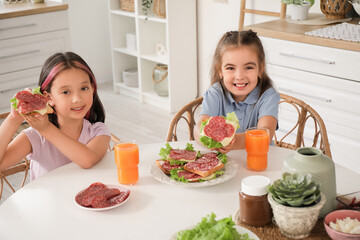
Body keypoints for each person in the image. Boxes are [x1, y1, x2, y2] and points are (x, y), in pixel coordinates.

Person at [0, 52, 111, 181]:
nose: (77, 99)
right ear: (49, 98)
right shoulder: (35, 137)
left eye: (84, 88)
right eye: (66, 92)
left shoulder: (98, 131)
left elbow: (87, 159)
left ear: (92, 88)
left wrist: (46, 129)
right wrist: (13, 119)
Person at [195, 30, 280, 153]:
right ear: (220, 70)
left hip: (260, 159)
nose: (239, 76)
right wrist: (206, 139)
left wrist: (229, 141)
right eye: (230, 68)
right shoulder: (215, 93)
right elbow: (199, 128)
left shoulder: (268, 96)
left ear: (261, 69)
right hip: (225, 162)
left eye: (248, 67)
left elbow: (265, 134)